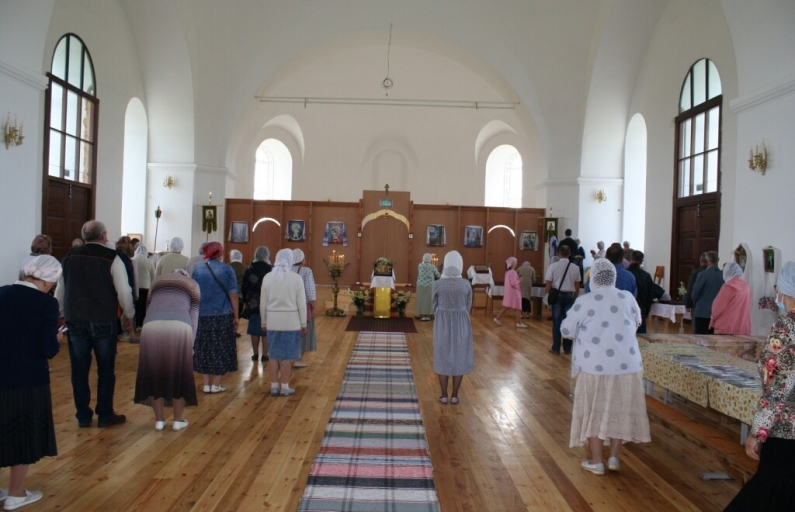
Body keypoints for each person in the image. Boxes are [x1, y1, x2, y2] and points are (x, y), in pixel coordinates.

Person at [562, 258, 650, 476]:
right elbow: (638, 321)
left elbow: (566, 330)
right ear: (613, 277)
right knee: (618, 409)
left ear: (593, 278)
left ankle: (597, 461)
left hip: (595, 366)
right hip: (627, 365)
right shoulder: (627, 297)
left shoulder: (586, 301)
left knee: (594, 410)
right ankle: (613, 458)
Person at [725, 261, 795, 511]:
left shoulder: (786, 328)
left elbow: (778, 387)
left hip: (787, 430)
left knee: (768, 491)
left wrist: (759, 431)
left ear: (785, 290)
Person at [55, 220, 133, 428]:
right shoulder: (111, 258)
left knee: (79, 370)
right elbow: (124, 291)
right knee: (106, 370)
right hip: (103, 320)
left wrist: (60, 313)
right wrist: (129, 314)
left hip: (76, 320)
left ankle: (83, 415)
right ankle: (105, 414)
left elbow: (61, 289)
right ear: (104, 236)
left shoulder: (69, 257)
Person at [0, 256, 62, 510]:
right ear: (47, 281)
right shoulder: (46, 304)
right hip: (27, 378)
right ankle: (15, 493)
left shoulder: (2, 293)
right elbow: (47, 349)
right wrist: (57, 339)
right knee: (21, 433)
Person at [133, 269, 200, 431]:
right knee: (179, 373)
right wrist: (191, 343)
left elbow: (148, 308)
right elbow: (194, 314)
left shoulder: (156, 282)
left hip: (151, 326)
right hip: (180, 325)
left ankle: (159, 421)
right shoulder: (192, 284)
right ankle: (177, 421)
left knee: (154, 372)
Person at [191, 241, 239, 394]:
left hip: (202, 315)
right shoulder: (227, 269)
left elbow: (193, 294)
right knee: (220, 348)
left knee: (204, 348)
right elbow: (233, 295)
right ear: (220, 252)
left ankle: (206, 384)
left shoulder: (198, 270)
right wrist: (236, 316)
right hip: (222, 314)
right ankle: (216, 384)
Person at [260, 248, 307, 397]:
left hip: (272, 321)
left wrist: (263, 321)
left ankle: (274, 386)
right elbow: (302, 304)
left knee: (273, 355)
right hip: (291, 322)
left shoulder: (267, 277)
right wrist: (303, 323)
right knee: (286, 356)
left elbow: (263, 303)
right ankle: (285, 386)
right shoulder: (295, 278)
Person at [432, 251, 473, 405]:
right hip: (461, 322)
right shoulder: (466, 284)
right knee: (459, 357)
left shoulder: (437, 284)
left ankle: (443, 395)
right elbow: (468, 305)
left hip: (442, 321)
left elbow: (433, 305)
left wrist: (442, 313)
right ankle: (455, 395)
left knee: (442, 356)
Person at [545, 246, 581, 354]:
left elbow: (548, 283)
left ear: (559, 254)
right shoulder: (575, 268)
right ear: (569, 254)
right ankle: (567, 348)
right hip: (570, 295)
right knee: (568, 321)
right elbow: (577, 284)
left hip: (557, 296)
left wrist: (547, 296)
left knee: (556, 322)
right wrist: (575, 296)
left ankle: (556, 347)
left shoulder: (553, 266)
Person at [242, 246, 273, 362]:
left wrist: (245, 300)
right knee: (265, 329)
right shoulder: (270, 269)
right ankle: (265, 354)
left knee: (254, 329)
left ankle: (255, 354)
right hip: (268, 301)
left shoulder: (249, 268)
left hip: (253, 302)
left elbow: (244, 286)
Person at [627, 250, 665, 334]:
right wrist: (646, 311)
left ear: (630, 259)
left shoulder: (626, 274)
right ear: (641, 261)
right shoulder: (646, 275)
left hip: (626, 311)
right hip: (641, 310)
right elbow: (650, 295)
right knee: (641, 341)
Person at [709, 262, 751, 335]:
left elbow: (717, 307)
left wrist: (713, 317)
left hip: (726, 326)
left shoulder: (729, 287)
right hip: (743, 325)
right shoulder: (746, 286)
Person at [291, 249, 316, 368]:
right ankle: (299, 358)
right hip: (302, 306)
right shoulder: (306, 271)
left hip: (288, 306)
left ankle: (288, 357)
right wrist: (314, 306)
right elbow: (310, 290)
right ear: (302, 259)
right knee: (302, 331)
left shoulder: (287, 270)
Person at [691, 250, 724, 335]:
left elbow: (695, 292)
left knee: (700, 337)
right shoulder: (722, 275)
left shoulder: (703, 274)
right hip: (717, 312)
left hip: (702, 311)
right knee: (712, 338)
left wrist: (696, 303)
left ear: (707, 261)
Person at [494, 257, 527, 328]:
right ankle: (519, 322)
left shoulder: (508, 272)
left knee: (506, 306)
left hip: (509, 292)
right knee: (518, 307)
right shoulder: (512, 272)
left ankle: (497, 318)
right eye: (515, 262)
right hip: (514, 292)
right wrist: (520, 280)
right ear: (512, 264)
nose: (517, 263)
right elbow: (513, 283)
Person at [132, 244, 156, 333]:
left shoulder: (132, 260)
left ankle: (135, 324)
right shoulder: (148, 261)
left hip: (135, 288)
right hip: (146, 288)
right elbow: (153, 276)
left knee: (135, 307)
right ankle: (142, 324)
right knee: (144, 307)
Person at [415, 253, 440, 321]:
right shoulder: (432, 266)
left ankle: (421, 314)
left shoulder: (420, 265)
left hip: (420, 284)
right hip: (430, 285)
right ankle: (427, 315)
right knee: (428, 300)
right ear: (430, 259)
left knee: (421, 299)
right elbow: (437, 275)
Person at [228, 249, 246, 329]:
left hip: (228, 294)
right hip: (240, 295)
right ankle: (235, 331)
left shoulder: (227, 267)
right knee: (237, 314)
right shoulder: (244, 268)